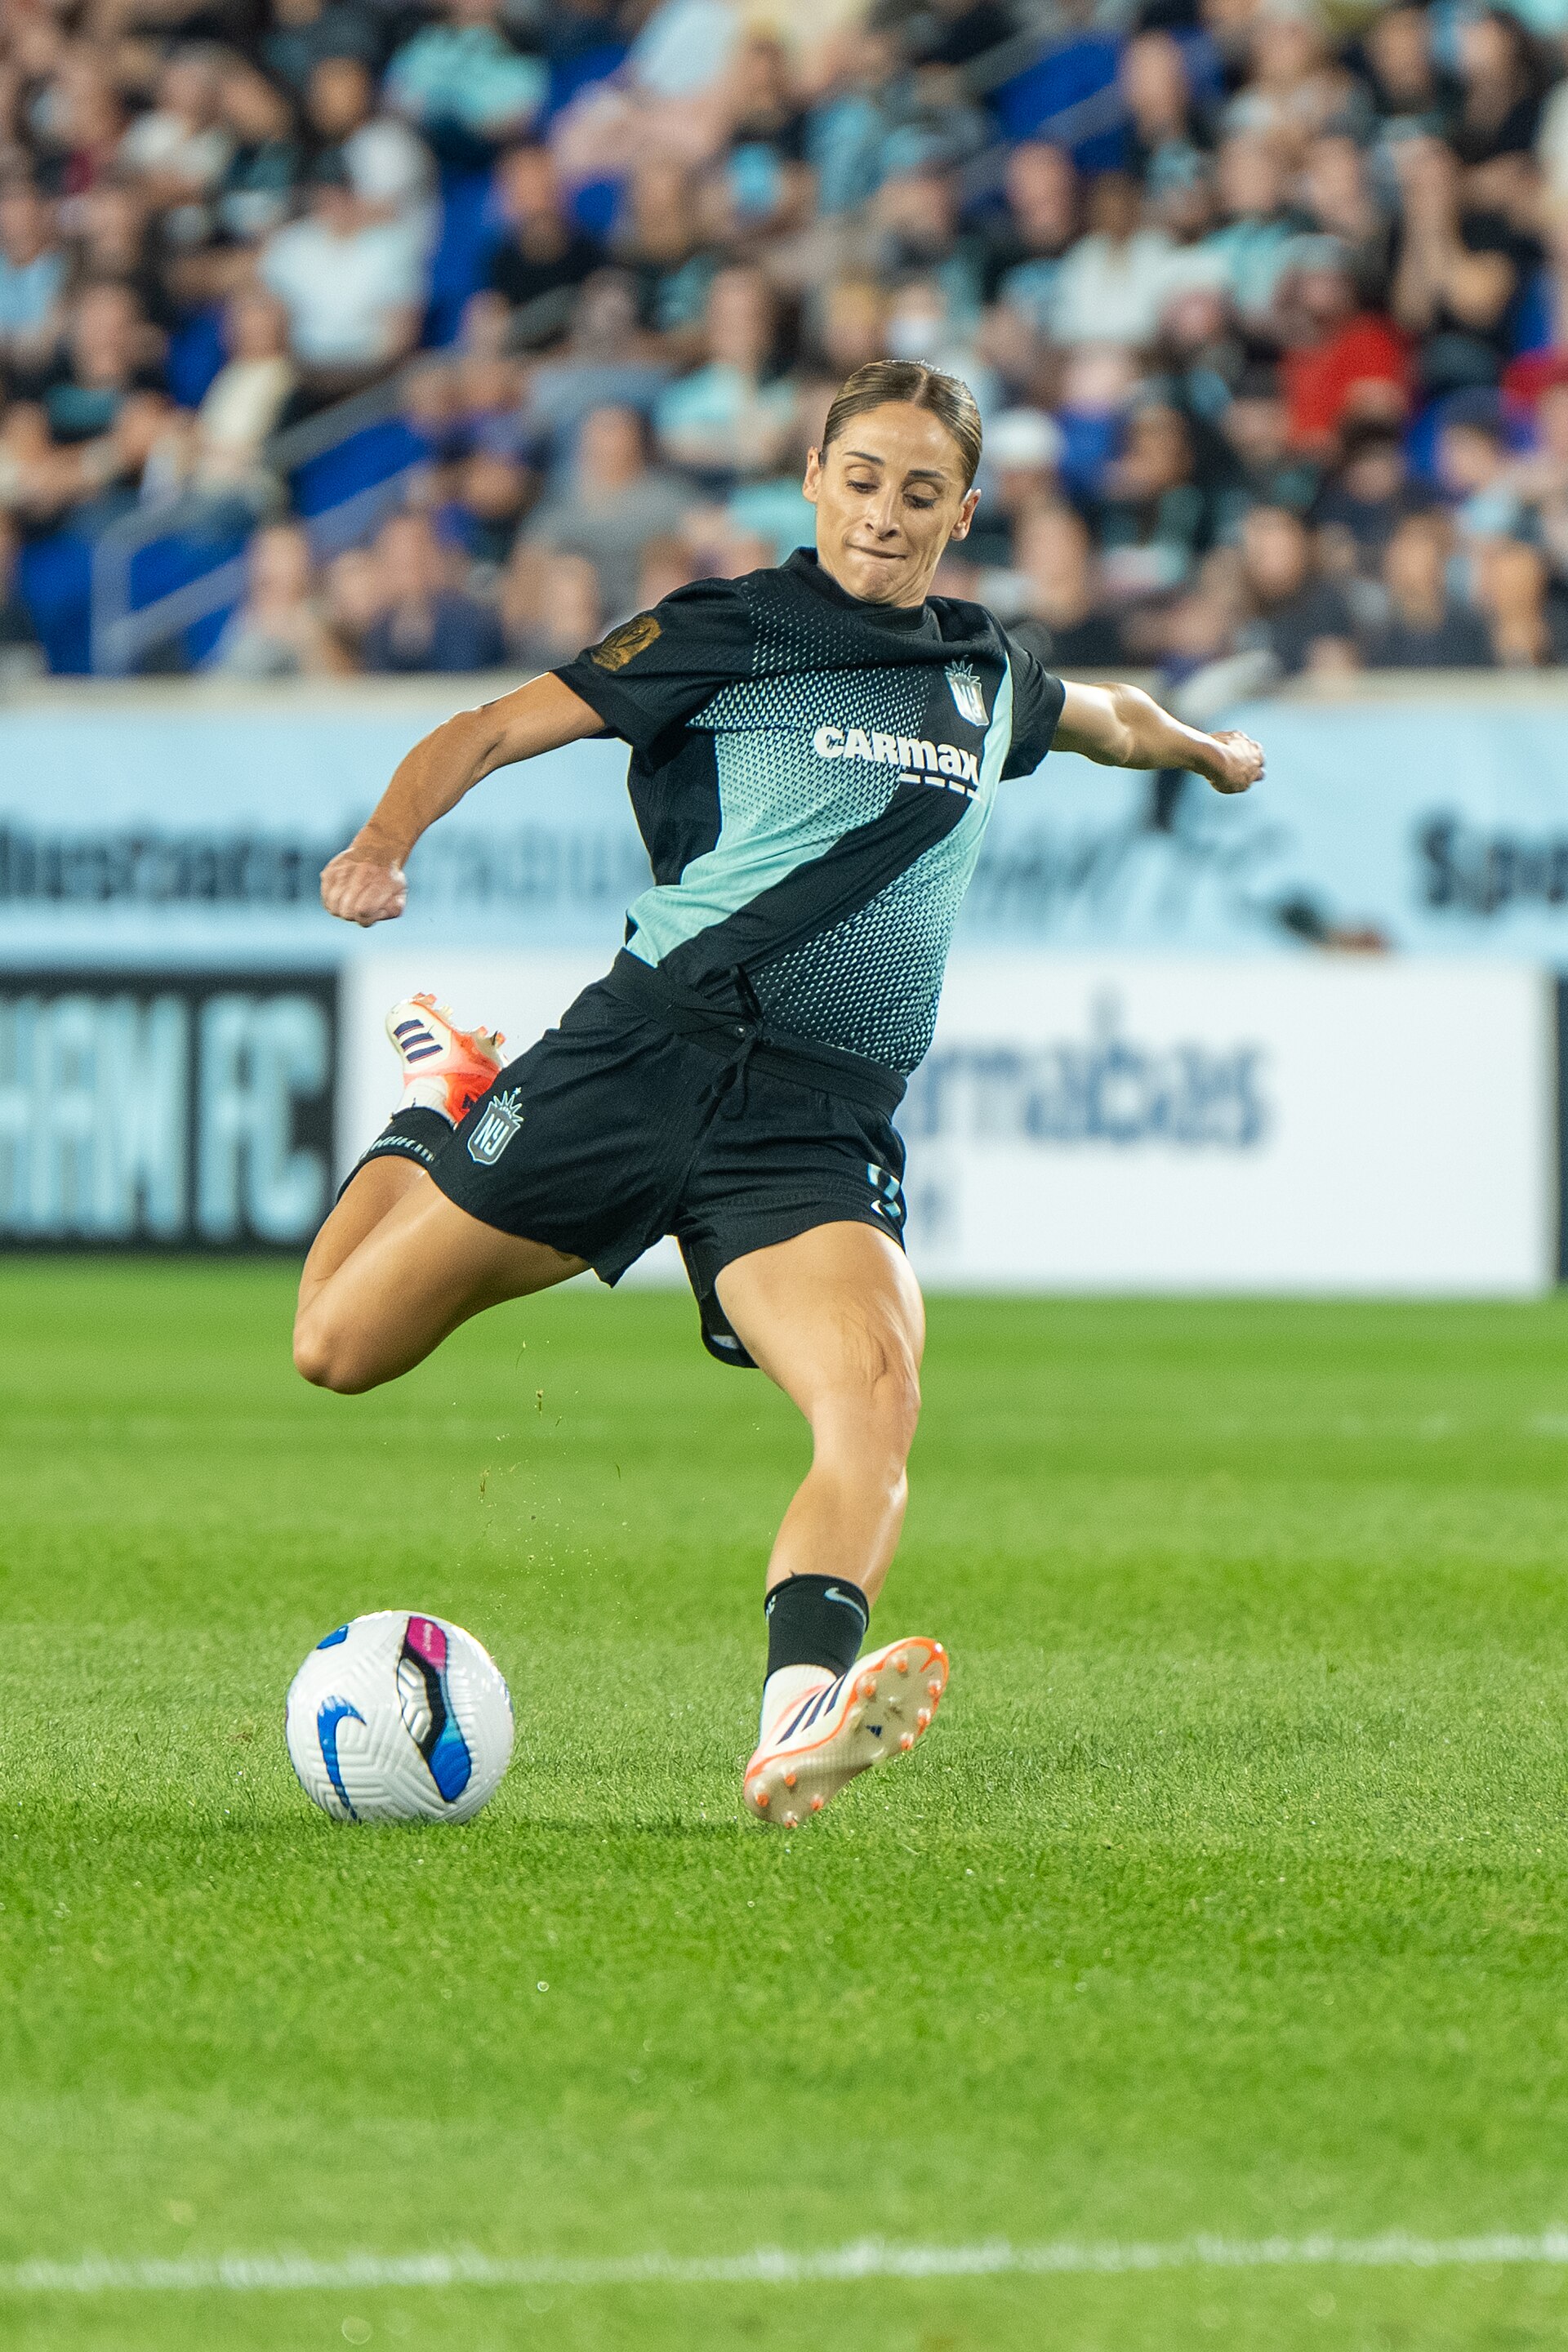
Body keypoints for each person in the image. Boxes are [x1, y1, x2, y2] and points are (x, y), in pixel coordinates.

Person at [294, 359, 1264, 1829]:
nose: (886, 513)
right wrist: (383, 841)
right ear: (814, 481)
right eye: (863, 479)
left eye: (920, 491)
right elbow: (487, 728)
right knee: (337, 1347)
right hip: (640, 1057)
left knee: (874, 1393)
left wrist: (1203, 750)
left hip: (813, 1121)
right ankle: (448, 1098)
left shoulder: (983, 672)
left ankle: (800, 1711)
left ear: (963, 511)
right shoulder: (729, 631)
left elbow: (1109, 718)